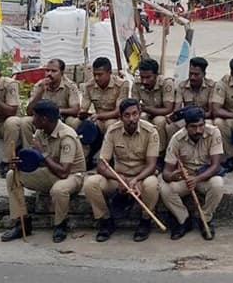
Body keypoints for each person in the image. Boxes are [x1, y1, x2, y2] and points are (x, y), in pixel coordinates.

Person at [1, 99, 87, 243]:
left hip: (72, 176)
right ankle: (22, 222)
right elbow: (36, 161)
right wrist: (18, 163)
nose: (32, 120)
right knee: (12, 176)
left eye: (35, 116)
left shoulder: (67, 136)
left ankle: (60, 224)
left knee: (59, 189)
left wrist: (43, 152)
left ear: (44, 119)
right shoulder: (41, 132)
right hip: (52, 171)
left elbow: (64, 172)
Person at [82, 98, 160, 243]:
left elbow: (151, 165)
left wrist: (135, 180)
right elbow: (102, 165)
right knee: (90, 183)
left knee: (152, 185)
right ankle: (105, 221)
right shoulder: (112, 131)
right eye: (127, 115)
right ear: (120, 117)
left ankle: (145, 220)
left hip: (141, 178)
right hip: (118, 179)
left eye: (135, 114)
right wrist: (120, 179)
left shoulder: (150, 131)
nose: (132, 118)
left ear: (140, 113)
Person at [160, 107, 224, 241]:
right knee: (164, 188)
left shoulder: (214, 133)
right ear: (186, 126)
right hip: (185, 178)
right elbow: (166, 172)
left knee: (218, 184)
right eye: (193, 127)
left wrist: (197, 179)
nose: (198, 130)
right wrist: (174, 176)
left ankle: (204, 219)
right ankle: (184, 220)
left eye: (201, 125)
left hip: (204, 176)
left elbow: (215, 166)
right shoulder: (176, 139)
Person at [5, 58, 80, 164]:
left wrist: (54, 111)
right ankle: (31, 156)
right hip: (42, 120)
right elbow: (30, 111)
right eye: (47, 70)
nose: (49, 74)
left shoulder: (70, 86)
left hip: (60, 119)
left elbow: (75, 109)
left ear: (62, 72)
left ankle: (66, 157)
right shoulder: (40, 85)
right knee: (25, 122)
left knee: (74, 121)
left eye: (53, 71)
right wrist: (40, 92)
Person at [131, 58, 176, 157]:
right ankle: (141, 150)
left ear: (156, 75)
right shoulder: (137, 83)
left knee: (159, 121)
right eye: (142, 77)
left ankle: (160, 153)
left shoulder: (166, 83)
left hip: (163, 114)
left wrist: (145, 108)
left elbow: (168, 109)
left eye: (148, 77)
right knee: (140, 118)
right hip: (147, 112)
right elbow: (134, 106)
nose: (144, 81)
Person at [79, 57, 127, 140]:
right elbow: (84, 108)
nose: (96, 78)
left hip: (114, 119)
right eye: (94, 75)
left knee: (110, 124)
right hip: (97, 120)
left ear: (109, 72)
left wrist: (99, 116)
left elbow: (119, 111)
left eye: (100, 75)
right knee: (76, 123)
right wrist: (82, 113)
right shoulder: (89, 86)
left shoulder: (121, 85)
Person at [170, 57, 217, 134]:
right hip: (187, 118)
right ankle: (173, 146)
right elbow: (177, 109)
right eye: (190, 73)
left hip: (205, 118)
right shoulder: (182, 86)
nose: (192, 77)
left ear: (204, 74)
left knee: (209, 126)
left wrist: (195, 116)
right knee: (171, 126)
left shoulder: (212, 86)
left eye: (196, 74)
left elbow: (210, 112)